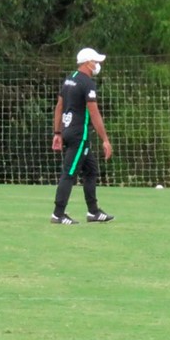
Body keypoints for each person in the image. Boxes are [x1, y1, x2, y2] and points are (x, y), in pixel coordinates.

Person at [50, 47, 114, 224]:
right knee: (69, 173)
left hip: (67, 131)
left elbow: (59, 106)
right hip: (80, 135)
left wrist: (57, 132)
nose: (97, 64)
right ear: (87, 63)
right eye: (95, 61)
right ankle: (58, 214)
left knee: (91, 169)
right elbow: (94, 113)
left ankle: (93, 212)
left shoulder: (69, 79)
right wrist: (105, 140)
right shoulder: (87, 83)